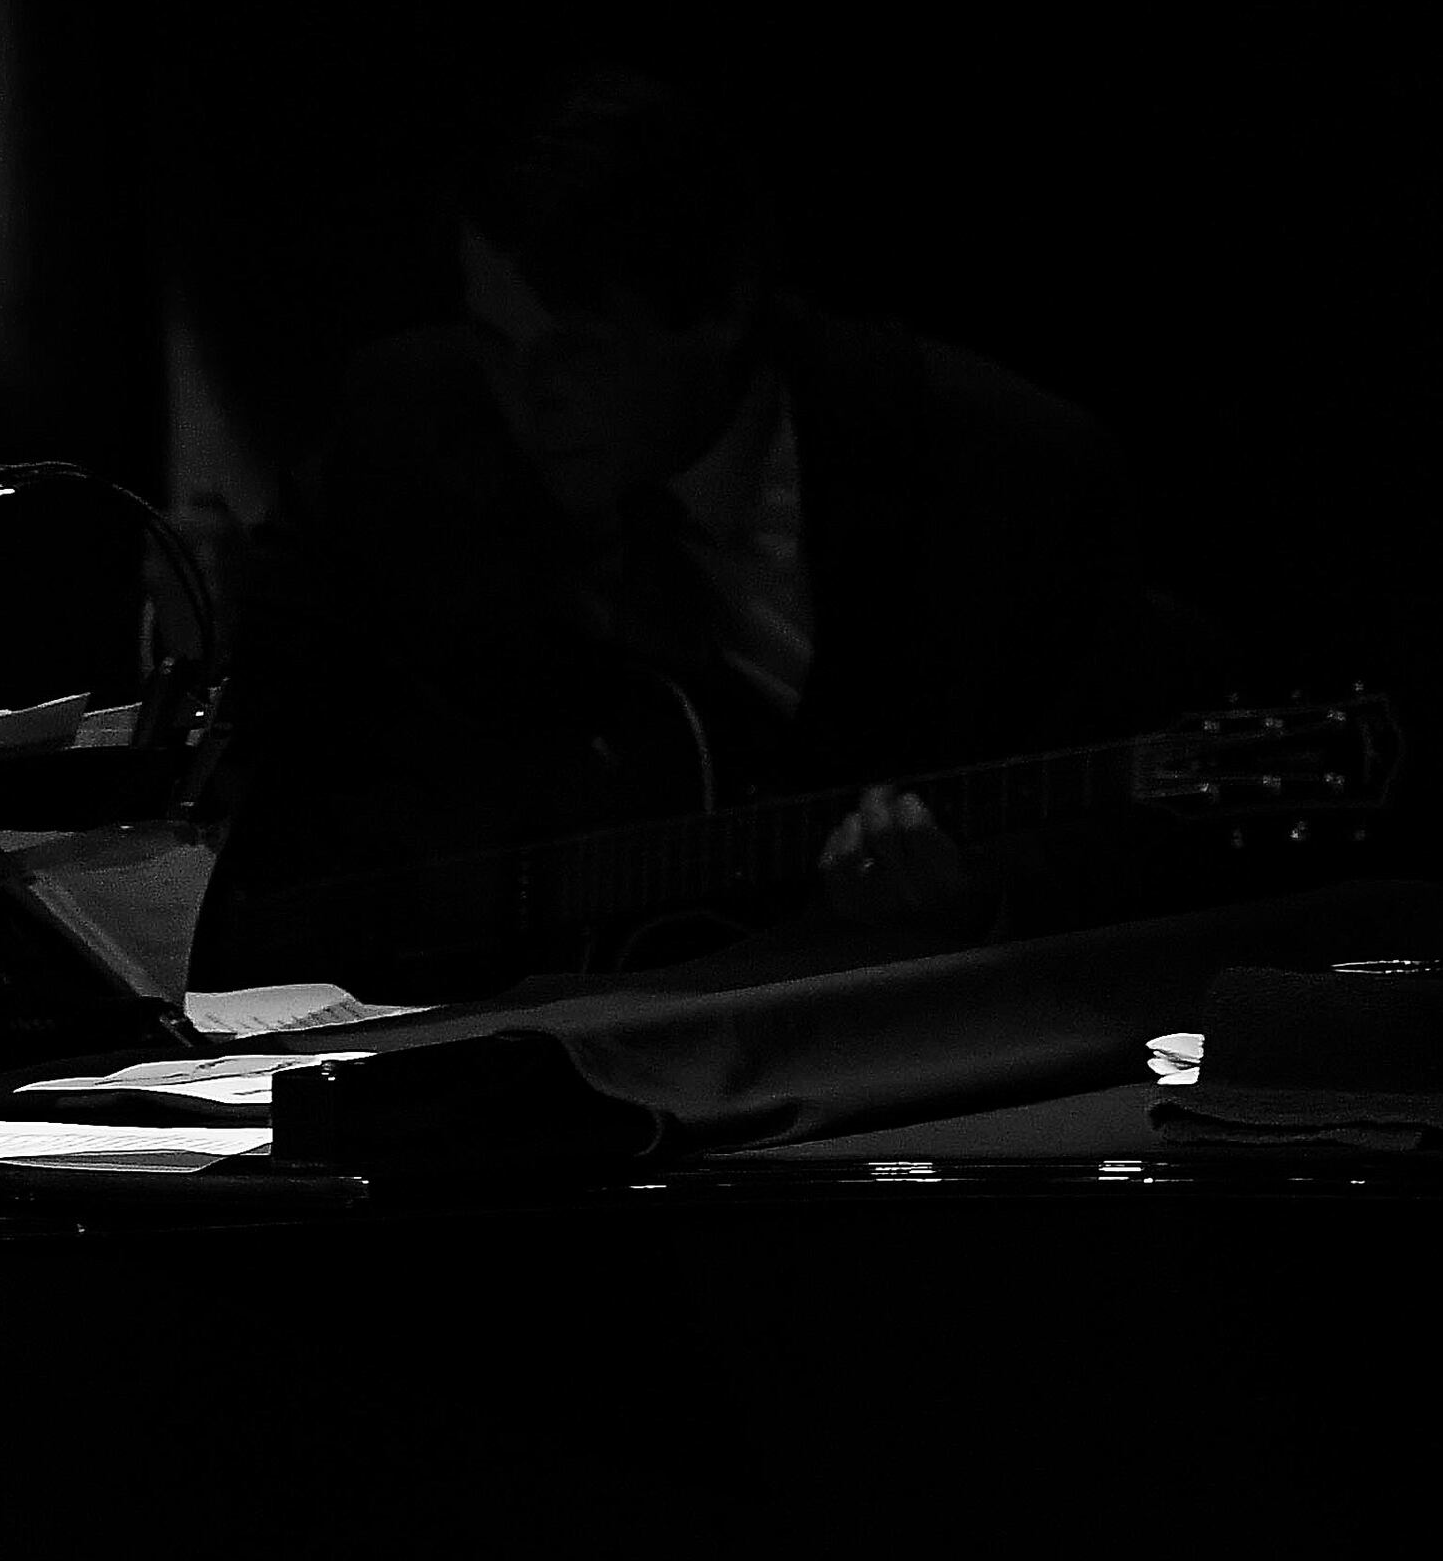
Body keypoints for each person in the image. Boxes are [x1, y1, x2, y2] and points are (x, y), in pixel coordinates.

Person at [217, 66, 1216, 973]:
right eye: (493, 342)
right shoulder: (415, 419)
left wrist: (976, 895)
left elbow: (1120, 850)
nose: (525, 399)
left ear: (722, 309)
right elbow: (266, 702)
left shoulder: (993, 472)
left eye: (579, 350)